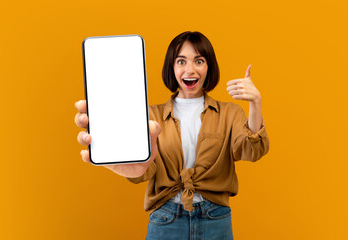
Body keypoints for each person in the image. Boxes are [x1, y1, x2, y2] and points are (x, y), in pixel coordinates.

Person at [75, 31, 269, 240]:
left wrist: (255, 103)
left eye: (199, 61)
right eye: (181, 61)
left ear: (209, 66)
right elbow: (143, 171)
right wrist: (122, 157)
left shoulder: (230, 113)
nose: (190, 70)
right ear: (172, 67)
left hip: (215, 219)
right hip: (166, 220)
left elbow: (252, 150)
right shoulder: (150, 117)